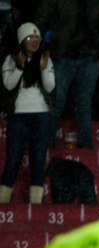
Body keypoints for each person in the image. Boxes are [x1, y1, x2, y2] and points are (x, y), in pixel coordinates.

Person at [32, 0, 99, 150]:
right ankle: (46, 148)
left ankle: (86, 150)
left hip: (89, 56)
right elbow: (41, 18)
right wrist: (45, 43)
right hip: (64, 55)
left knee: (83, 105)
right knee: (57, 103)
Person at [0, 23, 54, 204]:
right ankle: (3, 204)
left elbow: (50, 87)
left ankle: (35, 206)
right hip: (18, 116)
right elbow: (8, 85)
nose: (34, 42)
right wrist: (19, 67)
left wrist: (44, 69)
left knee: (38, 161)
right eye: (30, 38)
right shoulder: (11, 59)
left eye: (37, 38)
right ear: (22, 40)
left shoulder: (44, 58)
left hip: (41, 115)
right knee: (13, 160)